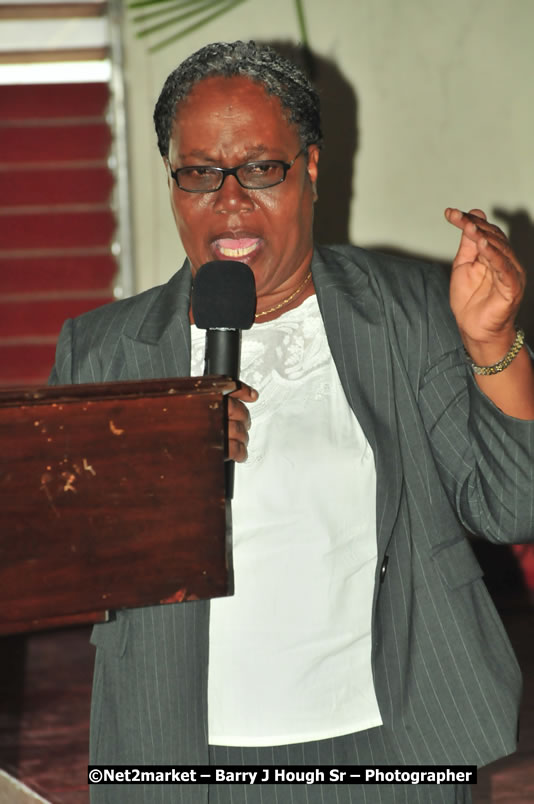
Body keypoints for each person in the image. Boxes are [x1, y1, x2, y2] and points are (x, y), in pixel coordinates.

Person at [49, 40, 534, 804]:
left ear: (309, 169)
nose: (230, 200)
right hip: (181, 755)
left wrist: (491, 344)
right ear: (172, 181)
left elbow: (513, 506)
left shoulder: (407, 315)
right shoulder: (106, 351)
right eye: (200, 172)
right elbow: (60, 566)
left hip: (390, 748)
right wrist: (156, 484)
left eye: (261, 168)